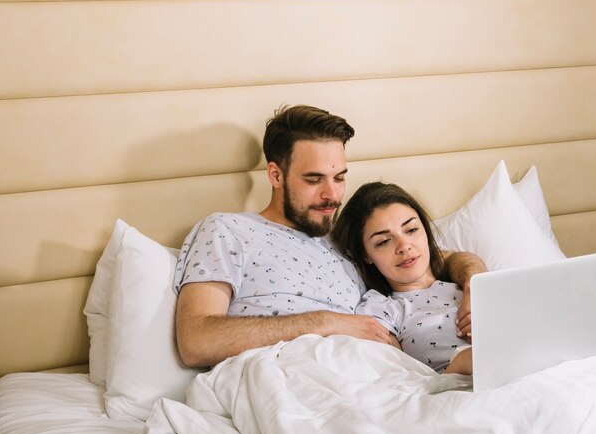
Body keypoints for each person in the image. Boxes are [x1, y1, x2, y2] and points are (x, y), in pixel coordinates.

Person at [174, 105, 484, 368]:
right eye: (314, 180)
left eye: (339, 178)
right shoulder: (227, 230)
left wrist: (476, 283)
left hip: (365, 374)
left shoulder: (347, 241)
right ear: (275, 175)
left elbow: (434, 257)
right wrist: (326, 323)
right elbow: (196, 340)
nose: (332, 195)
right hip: (282, 373)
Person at [332, 181, 477, 375]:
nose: (404, 246)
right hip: (459, 385)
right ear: (366, 255)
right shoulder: (383, 309)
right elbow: (393, 376)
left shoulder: (465, 281)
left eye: (411, 230)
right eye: (384, 241)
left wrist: (475, 291)